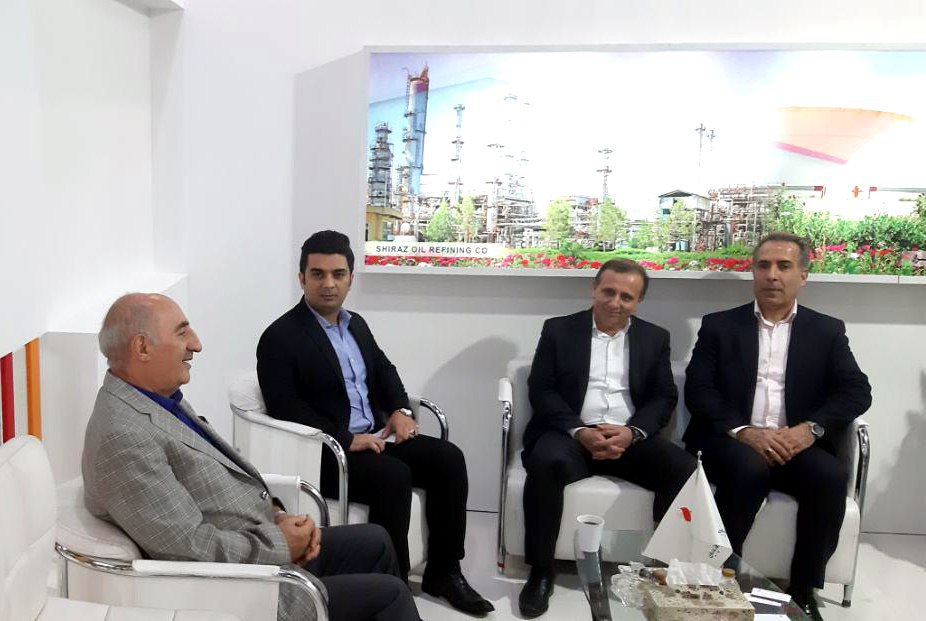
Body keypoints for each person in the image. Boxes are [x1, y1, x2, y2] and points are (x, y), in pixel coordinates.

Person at [83, 293, 421, 621]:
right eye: (182, 332)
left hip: (259, 547)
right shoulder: (123, 436)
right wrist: (281, 544)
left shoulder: (157, 400)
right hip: (246, 586)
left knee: (376, 540)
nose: (196, 344)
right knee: (389, 594)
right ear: (143, 347)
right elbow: (188, 547)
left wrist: (278, 516)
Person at [257, 230, 493, 617]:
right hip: (326, 452)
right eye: (318, 274)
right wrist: (346, 439)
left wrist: (400, 409)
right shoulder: (280, 337)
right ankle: (392, 585)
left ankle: (445, 571)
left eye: (338, 274)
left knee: (448, 459)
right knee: (392, 476)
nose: (328, 284)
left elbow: (385, 372)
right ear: (301, 278)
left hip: (375, 438)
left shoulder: (357, 325)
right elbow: (285, 407)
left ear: (351, 278)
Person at [684, 232, 872, 621]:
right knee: (748, 469)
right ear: (753, 272)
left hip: (794, 443)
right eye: (763, 265)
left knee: (830, 477)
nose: (772, 275)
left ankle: (803, 591)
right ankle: (719, 580)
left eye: (784, 266)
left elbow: (856, 391)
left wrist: (810, 430)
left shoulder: (826, 330)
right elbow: (699, 391)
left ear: (803, 275)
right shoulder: (720, 326)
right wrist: (743, 431)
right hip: (733, 442)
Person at [519, 259, 697, 618]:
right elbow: (541, 389)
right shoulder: (559, 330)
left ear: (638, 301)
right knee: (545, 462)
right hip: (571, 433)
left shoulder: (655, 338)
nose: (615, 303)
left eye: (626, 297)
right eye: (609, 292)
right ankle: (541, 570)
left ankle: (660, 565)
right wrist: (580, 430)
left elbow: (663, 396)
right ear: (594, 290)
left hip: (628, 437)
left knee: (683, 468)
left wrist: (632, 432)